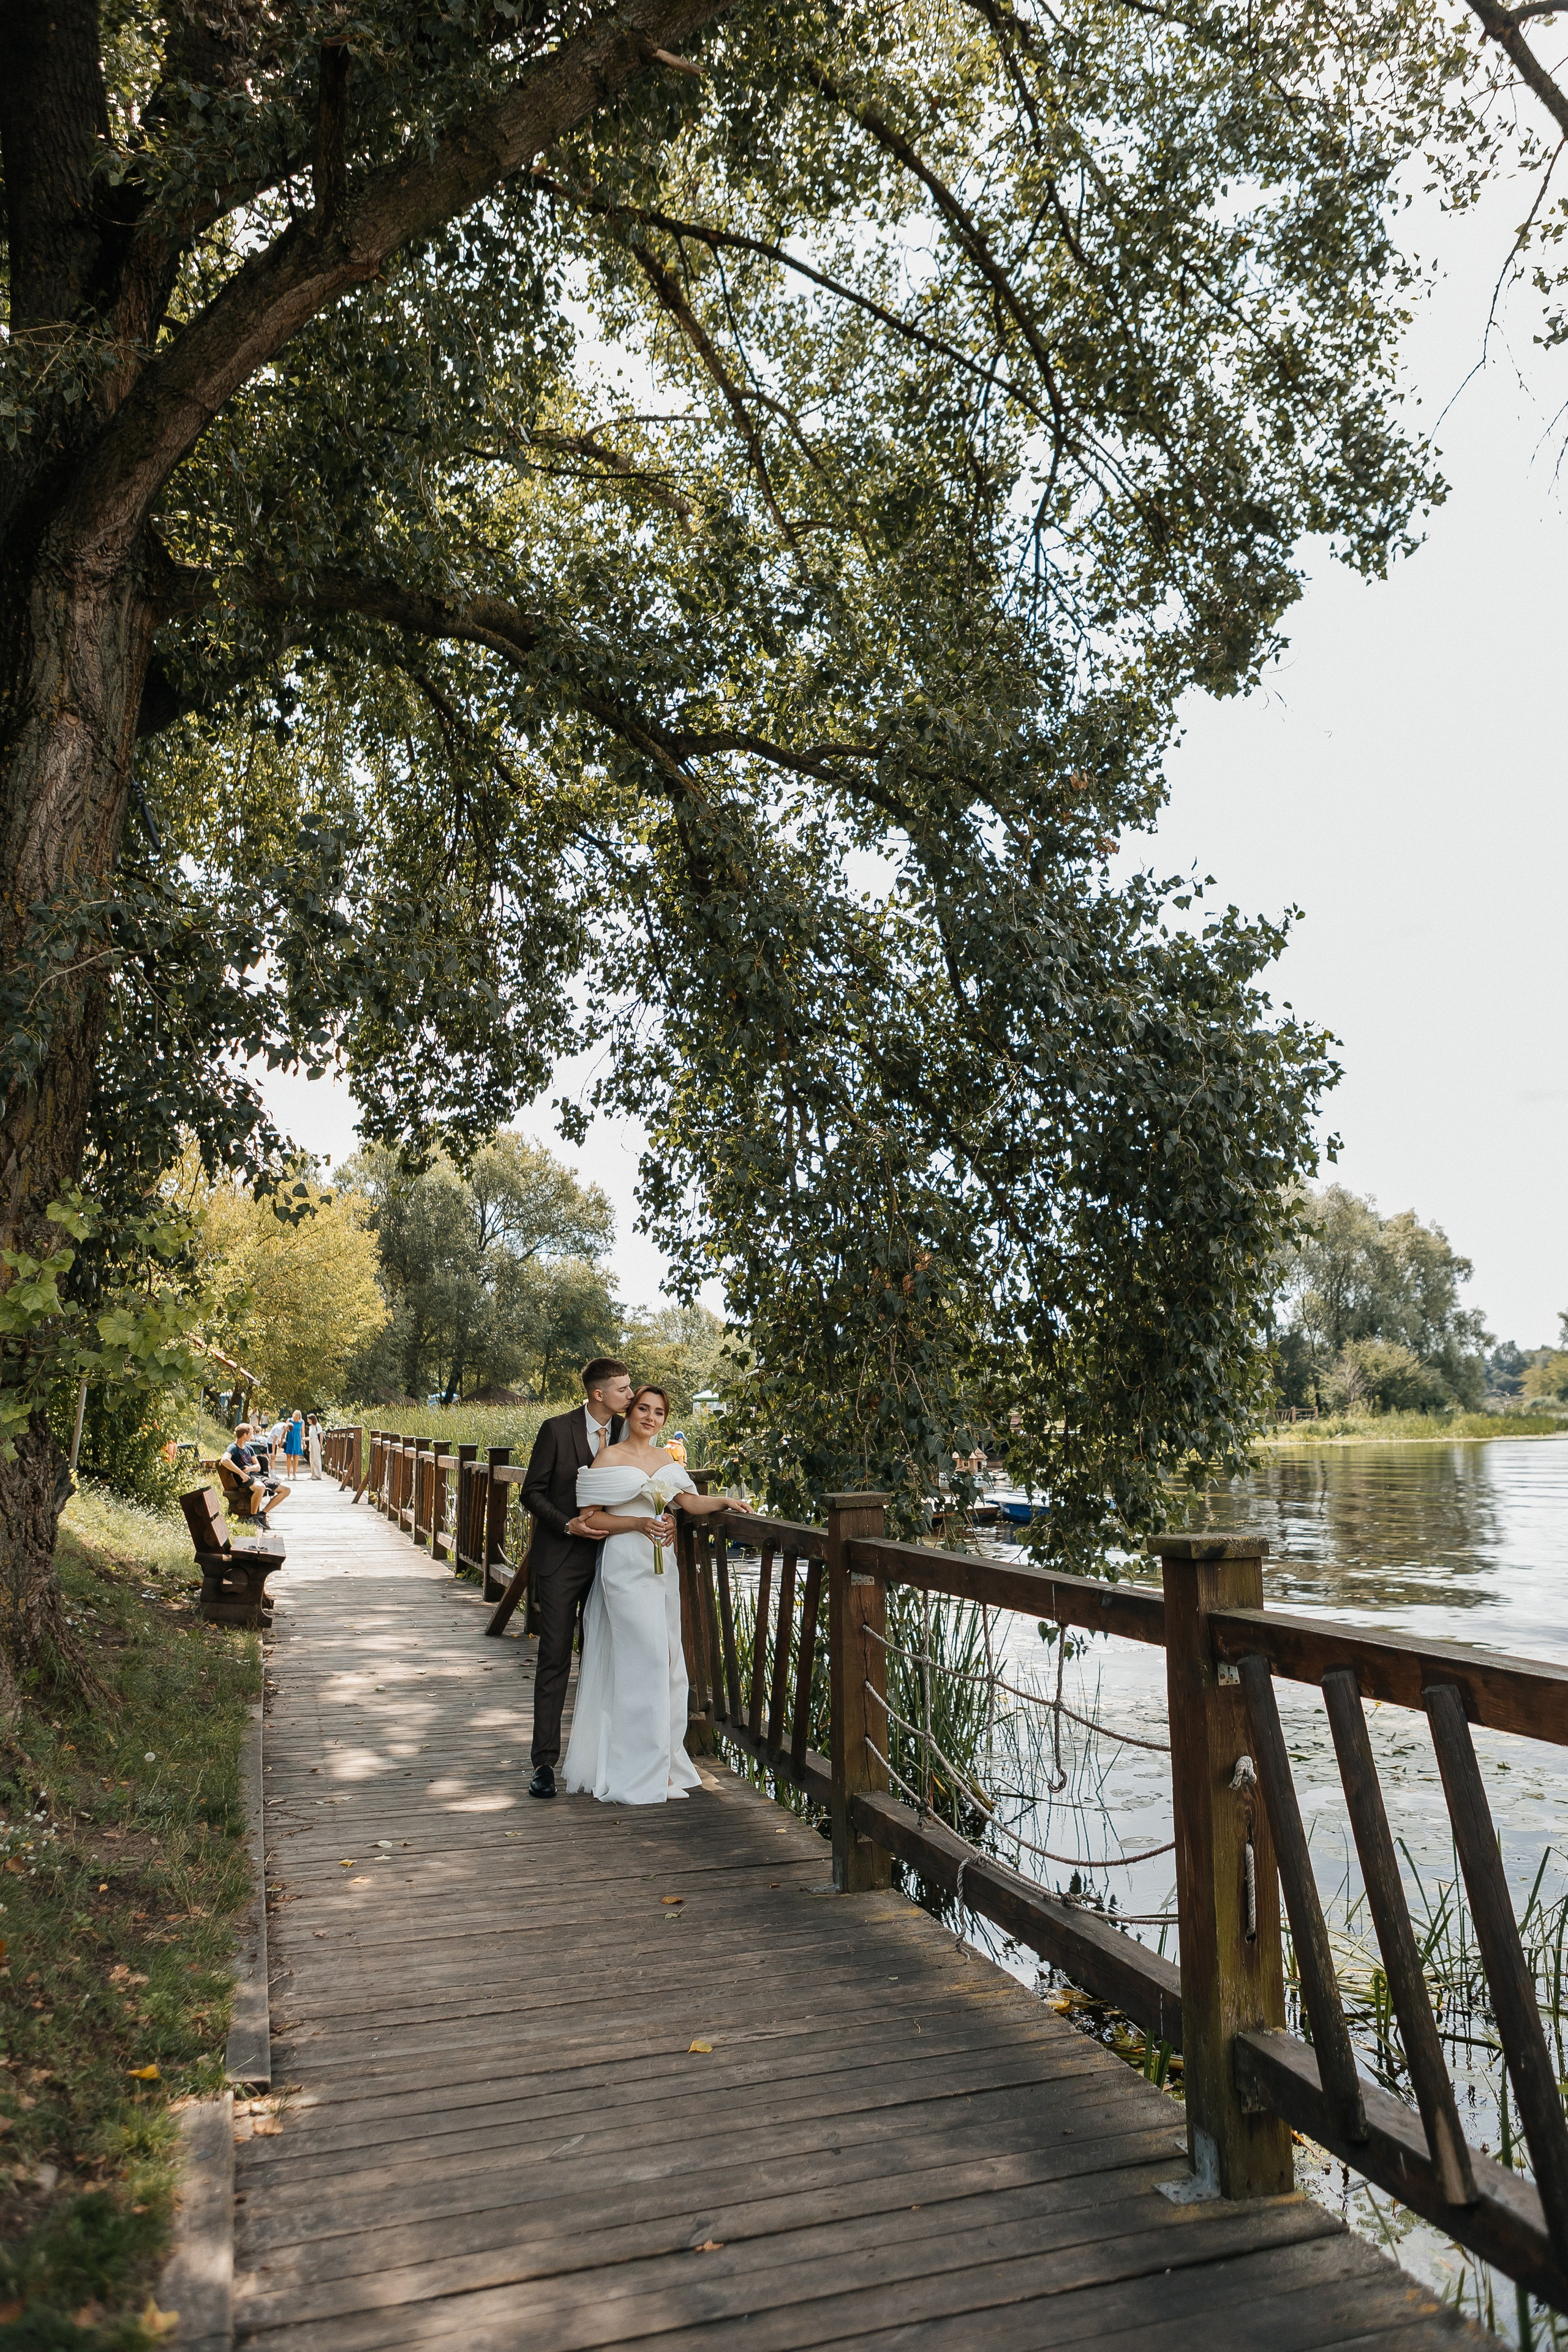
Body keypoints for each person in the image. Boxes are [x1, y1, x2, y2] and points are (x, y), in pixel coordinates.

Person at [562, 1384, 733, 1806]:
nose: (650, 1417)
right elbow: (592, 1517)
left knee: (671, 1664)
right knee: (644, 1662)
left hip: (661, 1568)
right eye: (643, 1408)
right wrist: (639, 1525)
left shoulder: (665, 1459)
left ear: (664, 1420)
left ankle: (662, 1761)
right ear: (631, 1412)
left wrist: (729, 1502)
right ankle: (634, 1770)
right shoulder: (609, 1457)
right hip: (624, 1565)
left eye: (659, 1412)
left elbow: (688, 1505)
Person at [519, 1358, 634, 1799]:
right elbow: (532, 1491)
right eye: (623, 1389)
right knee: (554, 1658)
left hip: (614, 1560)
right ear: (598, 1394)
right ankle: (544, 1764)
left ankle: (603, 1759)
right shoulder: (556, 1430)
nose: (630, 1396)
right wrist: (569, 1524)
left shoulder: (629, 1432)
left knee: (606, 1659)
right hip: (562, 1560)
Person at [222, 1423, 288, 1522]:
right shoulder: (233, 1448)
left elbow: (258, 1467)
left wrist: (250, 1469)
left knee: (286, 1490)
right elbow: (224, 1460)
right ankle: (253, 1517)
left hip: (256, 1476)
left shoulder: (249, 1448)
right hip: (245, 1479)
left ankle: (262, 1514)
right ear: (245, 1435)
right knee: (260, 1487)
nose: (252, 1436)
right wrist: (242, 1473)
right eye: (251, 1434)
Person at [284, 1409, 305, 1479]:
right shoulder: (289, 1420)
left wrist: (304, 1443)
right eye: (295, 1417)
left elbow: (303, 1433)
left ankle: (294, 1474)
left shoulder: (302, 1422)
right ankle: (288, 1474)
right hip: (290, 1439)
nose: (296, 1419)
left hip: (297, 1440)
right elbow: (284, 1429)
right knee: (288, 1456)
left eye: (297, 1417)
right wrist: (282, 1439)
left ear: (299, 1417)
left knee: (296, 1456)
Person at [306, 1412, 322, 1480]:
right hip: (311, 1441)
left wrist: (321, 1445)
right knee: (312, 1458)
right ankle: (313, 1474)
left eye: (309, 1419)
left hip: (316, 1442)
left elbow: (320, 1436)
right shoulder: (311, 1427)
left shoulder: (318, 1426)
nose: (308, 1421)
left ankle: (318, 1475)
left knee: (316, 1458)